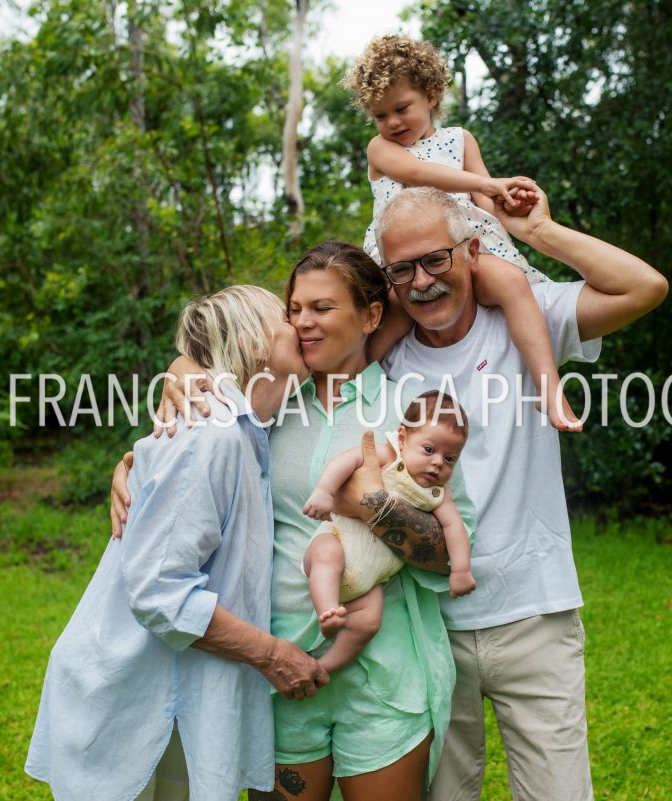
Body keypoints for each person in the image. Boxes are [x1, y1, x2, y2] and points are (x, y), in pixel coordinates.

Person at [111, 242, 478, 801]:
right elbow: (187, 460)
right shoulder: (266, 405)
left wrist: (373, 505)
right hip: (276, 671)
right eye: (294, 310)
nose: (304, 322)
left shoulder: (413, 414)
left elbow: (452, 552)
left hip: (385, 674)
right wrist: (132, 464)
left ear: (371, 316)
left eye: (322, 308)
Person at [363, 186, 667, 801]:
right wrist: (184, 378)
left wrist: (538, 232)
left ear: (473, 252)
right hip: (425, 625)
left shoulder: (529, 318)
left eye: (436, 260)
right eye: (402, 270)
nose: (422, 282)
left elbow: (644, 288)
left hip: (535, 614)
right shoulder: (380, 357)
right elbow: (288, 349)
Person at [26, 285, 328, 801]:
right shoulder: (209, 435)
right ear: (252, 342)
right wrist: (273, 655)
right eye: (285, 316)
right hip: (135, 698)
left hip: (175, 695)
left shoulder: (247, 431)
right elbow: (159, 592)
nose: (299, 324)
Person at [344, 34, 580, 432]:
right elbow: (418, 173)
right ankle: (351, 391)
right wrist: (488, 183)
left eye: (401, 108)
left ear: (431, 95)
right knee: (382, 330)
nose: (392, 122)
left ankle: (548, 388)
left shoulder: (460, 139)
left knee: (511, 283)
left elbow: (484, 202)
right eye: (381, 115)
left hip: (462, 251)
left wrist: (508, 202)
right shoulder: (380, 149)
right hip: (404, 267)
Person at [302, 389, 475, 673]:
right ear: (403, 438)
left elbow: (454, 527)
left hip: (370, 582)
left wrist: (461, 569)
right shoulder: (388, 457)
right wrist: (324, 491)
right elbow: (346, 461)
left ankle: (324, 667)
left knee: (369, 621)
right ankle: (328, 611)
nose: (437, 463)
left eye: (450, 459)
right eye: (429, 450)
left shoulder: (438, 493)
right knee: (327, 556)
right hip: (336, 540)